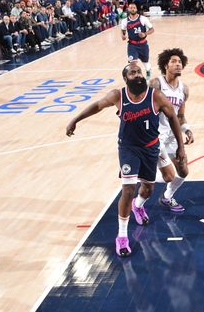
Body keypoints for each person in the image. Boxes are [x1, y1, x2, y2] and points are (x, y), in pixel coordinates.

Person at [65, 60, 185, 257]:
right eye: (133, 73)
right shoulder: (118, 96)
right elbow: (96, 105)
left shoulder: (155, 95)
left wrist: (181, 148)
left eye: (139, 72)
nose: (138, 75)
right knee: (128, 189)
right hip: (128, 149)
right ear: (125, 78)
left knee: (149, 188)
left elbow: (173, 116)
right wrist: (75, 120)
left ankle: (138, 206)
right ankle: (122, 236)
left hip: (151, 147)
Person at [149, 48, 194, 214]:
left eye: (180, 62)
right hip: (156, 136)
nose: (178, 64)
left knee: (183, 171)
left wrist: (187, 130)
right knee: (164, 175)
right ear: (165, 65)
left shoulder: (184, 89)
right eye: (174, 62)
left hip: (173, 136)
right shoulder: (156, 84)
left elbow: (180, 116)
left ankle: (167, 196)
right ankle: (137, 201)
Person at [120, 3, 154, 77]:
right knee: (132, 63)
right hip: (132, 45)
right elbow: (123, 31)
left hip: (143, 44)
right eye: (131, 8)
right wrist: (123, 36)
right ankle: (136, 78)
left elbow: (152, 29)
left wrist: (145, 34)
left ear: (136, 9)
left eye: (134, 8)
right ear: (128, 9)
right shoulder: (124, 21)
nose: (132, 9)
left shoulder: (143, 19)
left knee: (146, 62)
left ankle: (148, 72)